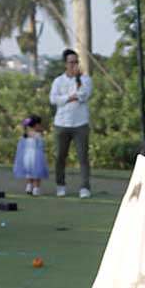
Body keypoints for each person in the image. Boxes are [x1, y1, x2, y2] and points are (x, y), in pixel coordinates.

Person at [49, 48, 93, 198]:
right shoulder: (58, 81)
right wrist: (69, 97)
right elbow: (54, 99)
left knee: (83, 157)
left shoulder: (85, 79)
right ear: (65, 64)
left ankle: (85, 187)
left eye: (76, 62)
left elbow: (84, 95)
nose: (74, 65)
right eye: (71, 62)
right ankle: (60, 185)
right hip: (62, 123)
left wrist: (76, 85)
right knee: (60, 156)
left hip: (80, 123)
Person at [13, 115, 48, 196]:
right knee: (36, 173)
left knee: (29, 172)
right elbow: (40, 146)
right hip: (35, 156)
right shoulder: (37, 135)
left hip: (26, 156)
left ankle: (29, 186)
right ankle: (36, 189)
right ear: (36, 125)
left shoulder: (26, 134)